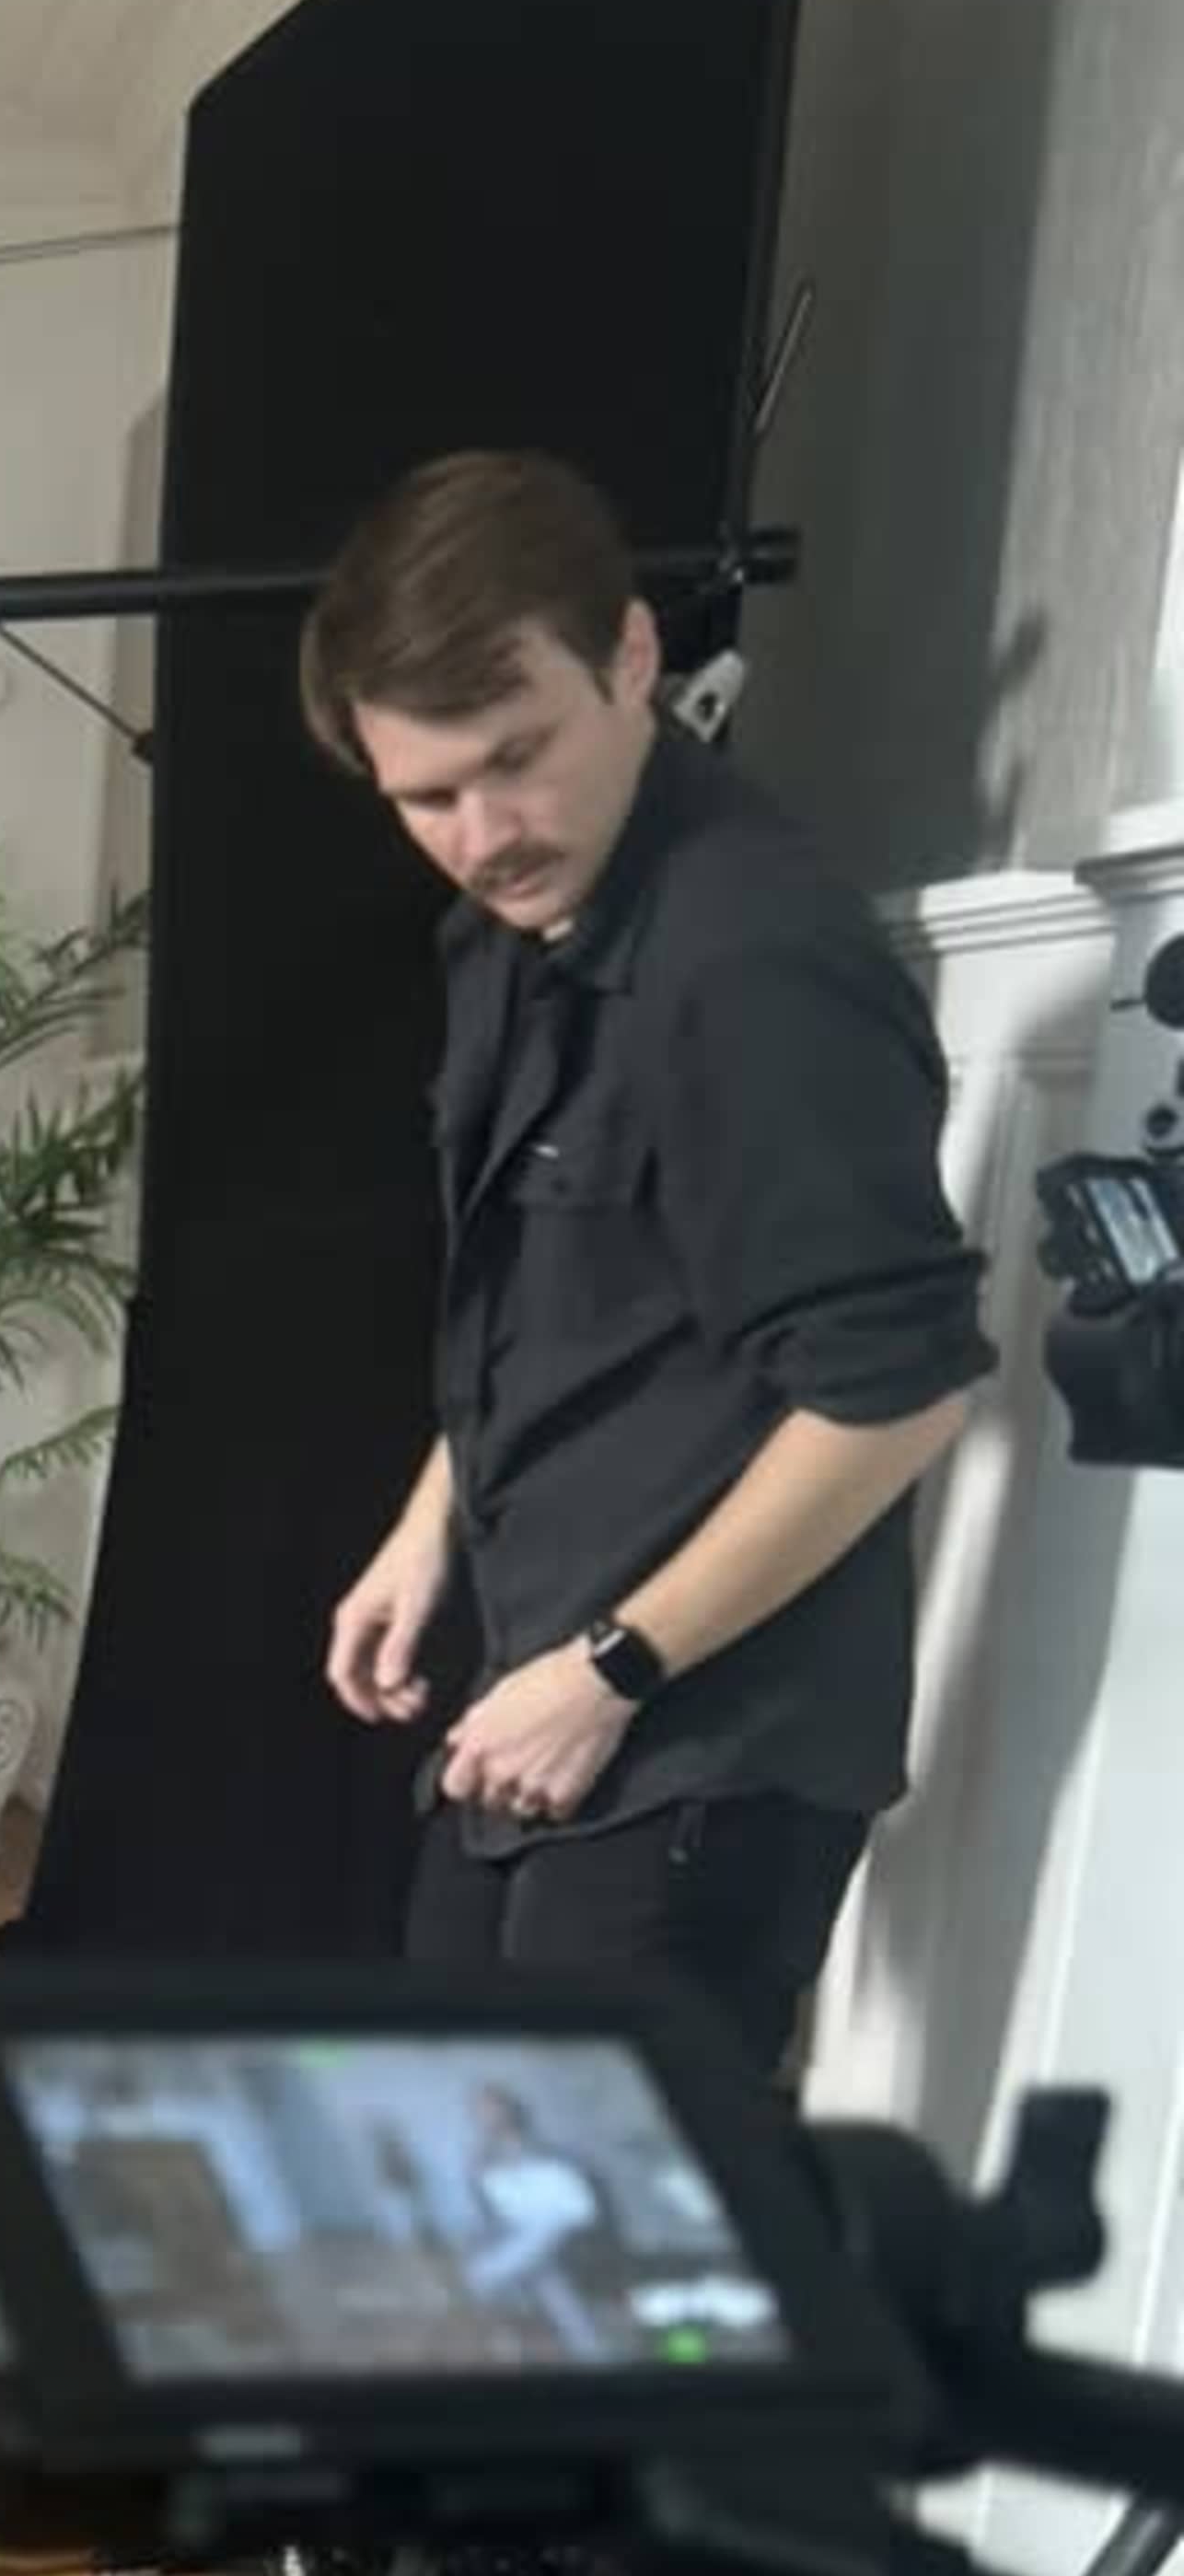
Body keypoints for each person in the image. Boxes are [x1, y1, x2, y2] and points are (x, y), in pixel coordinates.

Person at [304, 449, 993, 2081]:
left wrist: (615, 1670)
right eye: (427, 796)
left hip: (699, 1742)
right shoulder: (510, 935)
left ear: (629, 658)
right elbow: (553, 1307)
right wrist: (431, 1528)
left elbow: (897, 1398)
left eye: (516, 760)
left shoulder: (751, 959)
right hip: (549, 1675)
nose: (483, 832)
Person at [457, 2081, 610, 2358]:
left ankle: (581, 2348)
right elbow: (491, 2210)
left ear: (511, 2109)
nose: (489, 2116)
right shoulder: (482, 2159)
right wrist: (486, 2232)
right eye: (481, 2111)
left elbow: (579, 2203)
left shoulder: (551, 2150)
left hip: (562, 2230)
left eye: (493, 2108)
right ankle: (588, 2349)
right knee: (548, 2278)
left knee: (493, 2273)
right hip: (523, 2235)